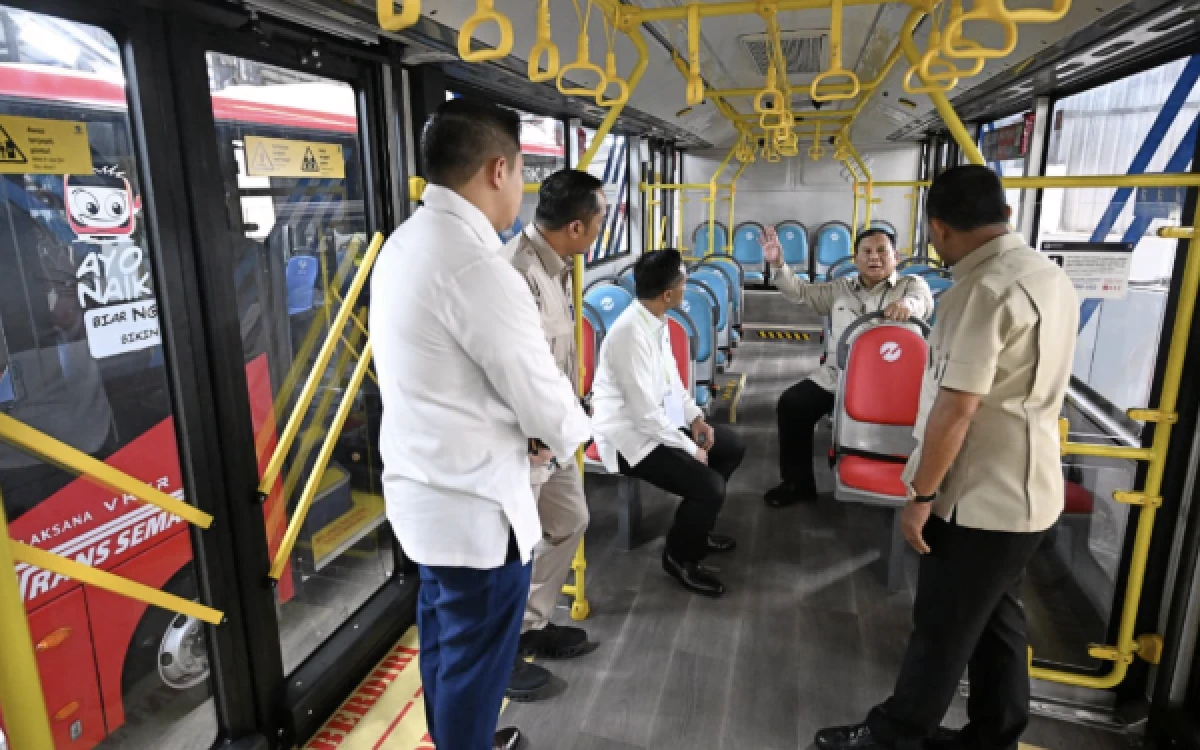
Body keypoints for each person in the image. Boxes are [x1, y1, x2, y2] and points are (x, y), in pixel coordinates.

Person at [814, 165, 1079, 750]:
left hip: (976, 498)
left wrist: (921, 496)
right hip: (1032, 491)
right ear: (1005, 213)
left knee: (942, 628)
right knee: (999, 622)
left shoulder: (977, 293)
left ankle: (893, 736)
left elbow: (957, 410)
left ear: (938, 227)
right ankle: (994, 734)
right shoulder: (1047, 274)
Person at [370, 99, 591, 750]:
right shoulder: (478, 266)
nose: (523, 188)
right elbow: (543, 396)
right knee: (475, 669)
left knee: (443, 648)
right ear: (499, 169)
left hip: (424, 498)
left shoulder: (407, 242)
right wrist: (575, 432)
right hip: (476, 513)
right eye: (523, 172)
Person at [502, 168, 607, 701]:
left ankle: (532, 625)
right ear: (574, 227)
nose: (599, 232)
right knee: (512, 549)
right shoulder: (515, 273)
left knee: (569, 521)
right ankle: (501, 653)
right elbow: (505, 369)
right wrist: (533, 432)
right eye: (597, 222)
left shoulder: (558, 267)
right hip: (525, 441)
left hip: (557, 432)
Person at [591, 248, 746, 597]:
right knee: (709, 486)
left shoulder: (655, 321)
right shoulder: (630, 335)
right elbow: (643, 416)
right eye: (683, 281)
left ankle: (698, 528)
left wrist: (695, 419)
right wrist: (691, 449)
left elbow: (672, 380)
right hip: (628, 438)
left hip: (655, 423)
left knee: (731, 446)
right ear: (667, 294)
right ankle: (680, 557)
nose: (686, 285)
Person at [761, 226, 934, 508]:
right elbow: (802, 293)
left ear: (896, 256)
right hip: (838, 376)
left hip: (890, 383)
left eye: (881, 251)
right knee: (792, 405)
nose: (874, 257)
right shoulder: (841, 288)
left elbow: (921, 301)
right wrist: (778, 264)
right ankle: (797, 483)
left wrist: (907, 305)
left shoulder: (911, 285)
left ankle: (909, 481)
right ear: (855, 259)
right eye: (866, 252)